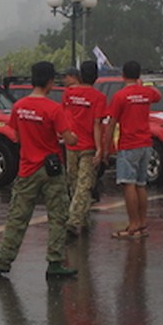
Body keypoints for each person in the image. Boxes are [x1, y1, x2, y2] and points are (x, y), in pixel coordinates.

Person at [0, 61, 79, 279]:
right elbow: (70, 139)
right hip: (51, 170)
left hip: (27, 168)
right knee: (57, 216)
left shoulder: (19, 107)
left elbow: (17, 135)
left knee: (17, 216)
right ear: (50, 82)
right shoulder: (54, 109)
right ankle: (55, 263)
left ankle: (3, 261)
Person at [107, 60, 161, 239]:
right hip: (146, 143)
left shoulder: (120, 96)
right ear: (139, 75)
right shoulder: (146, 93)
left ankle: (133, 224)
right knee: (141, 184)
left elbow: (112, 122)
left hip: (128, 144)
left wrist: (108, 146)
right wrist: (142, 84)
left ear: (123, 75)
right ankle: (142, 222)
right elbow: (158, 94)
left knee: (128, 184)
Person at [61, 61, 107, 236]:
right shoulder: (99, 98)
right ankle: (74, 221)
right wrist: (99, 148)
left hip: (71, 144)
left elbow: (63, 116)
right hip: (88, 145)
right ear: (96, 77)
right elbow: (97, 124)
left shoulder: (69, 94)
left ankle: (82, 217)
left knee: (73, 183)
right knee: (84, 185)